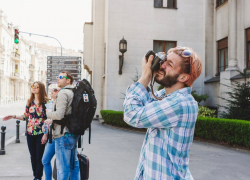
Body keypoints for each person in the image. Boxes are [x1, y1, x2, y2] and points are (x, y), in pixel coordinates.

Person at [123, 46, 202, 180]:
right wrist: (151, 71)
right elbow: (141, 101)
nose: (162, 65)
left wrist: (146, 76)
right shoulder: (163, 96)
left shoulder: (179, 103)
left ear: (183, 76)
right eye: (164, 60)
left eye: (169, 64)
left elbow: (132, 114)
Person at [3, 81, 49, 180]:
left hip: (40, 132)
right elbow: (25, 116)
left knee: (39, 156)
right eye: (33, 86)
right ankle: (35, 175)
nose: (34, 88)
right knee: (32, 157)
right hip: (30, 132)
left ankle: (38, 177)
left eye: (36, 86)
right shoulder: (29, 101)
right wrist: (13, 116)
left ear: (41, 89)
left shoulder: (46, 102)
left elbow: (48, 119)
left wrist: (46, 134)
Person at [46, 71, 80, 180]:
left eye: (61, 77)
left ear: (68, 80)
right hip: (73, 133)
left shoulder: (63, 93)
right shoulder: (74, 91)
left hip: (62, 134)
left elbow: (59, 115)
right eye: (57, 76)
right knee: (74, 166)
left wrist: (47, 112)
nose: (58, 79)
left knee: (62, 169)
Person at [41, 87, 61, 180]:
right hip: (51, 136)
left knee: (61, 163)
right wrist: (45, 134)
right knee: (45, 160)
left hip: (59, 135)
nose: (53, 91)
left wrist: (51, 121)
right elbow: (47, 121)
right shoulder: (49, 104)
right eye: (52, 90)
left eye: (56, 90)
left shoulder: (61, 104)